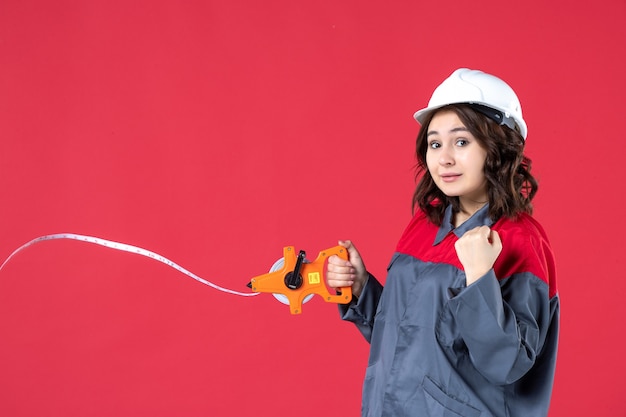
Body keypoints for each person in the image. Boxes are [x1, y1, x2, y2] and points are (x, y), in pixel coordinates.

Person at [327, 68, 559, 417]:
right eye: (435, 143)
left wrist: (480, 278)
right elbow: (410, 340)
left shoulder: (520, 240)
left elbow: (509, 364)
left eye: (461, 142)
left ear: (500, 147)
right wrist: (362, 289)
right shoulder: (425, 223)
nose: (444, 158)